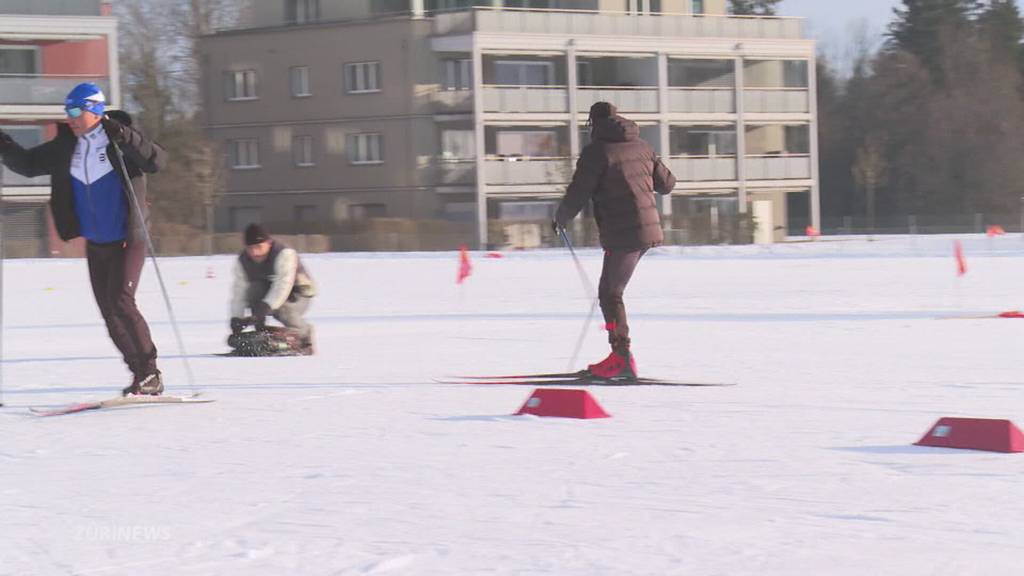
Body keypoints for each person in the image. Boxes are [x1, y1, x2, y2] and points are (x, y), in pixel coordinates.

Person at [0, 82, 166, 395]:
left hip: (128, 239)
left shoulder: (119, 140)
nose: (70, 118)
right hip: (97, 243)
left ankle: (150, 371)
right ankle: (140, 376)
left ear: (95, 110)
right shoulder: (67, 147)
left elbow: (156, 161)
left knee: (121, 302)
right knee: (109, 313)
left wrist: (125, 136)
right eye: (67, 111)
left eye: (76, 111)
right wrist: (5, 144)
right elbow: (29, 165)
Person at [553, 101, 676, 379]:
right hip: (647, 231)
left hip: (624, 233)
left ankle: (621, 358)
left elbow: (578, 191)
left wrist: (561, 218)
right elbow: (667, 184)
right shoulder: (643, 147)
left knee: (610, 294)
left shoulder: (596, 153)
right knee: (610, 293)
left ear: (593, 124)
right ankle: (619, 355)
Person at [229, 224, 317, 355]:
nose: (254, 253)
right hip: (269, 292)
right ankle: (261, 332)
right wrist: (237, 317)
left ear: (269, 243)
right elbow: (239, 291)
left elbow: (283, 284)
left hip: (298, 294)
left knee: (281, 309)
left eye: (259, 247)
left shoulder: (284, 253)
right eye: (250, 248)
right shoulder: (243, 261)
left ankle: (303, 334)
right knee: (254, 290)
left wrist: (266, 306)